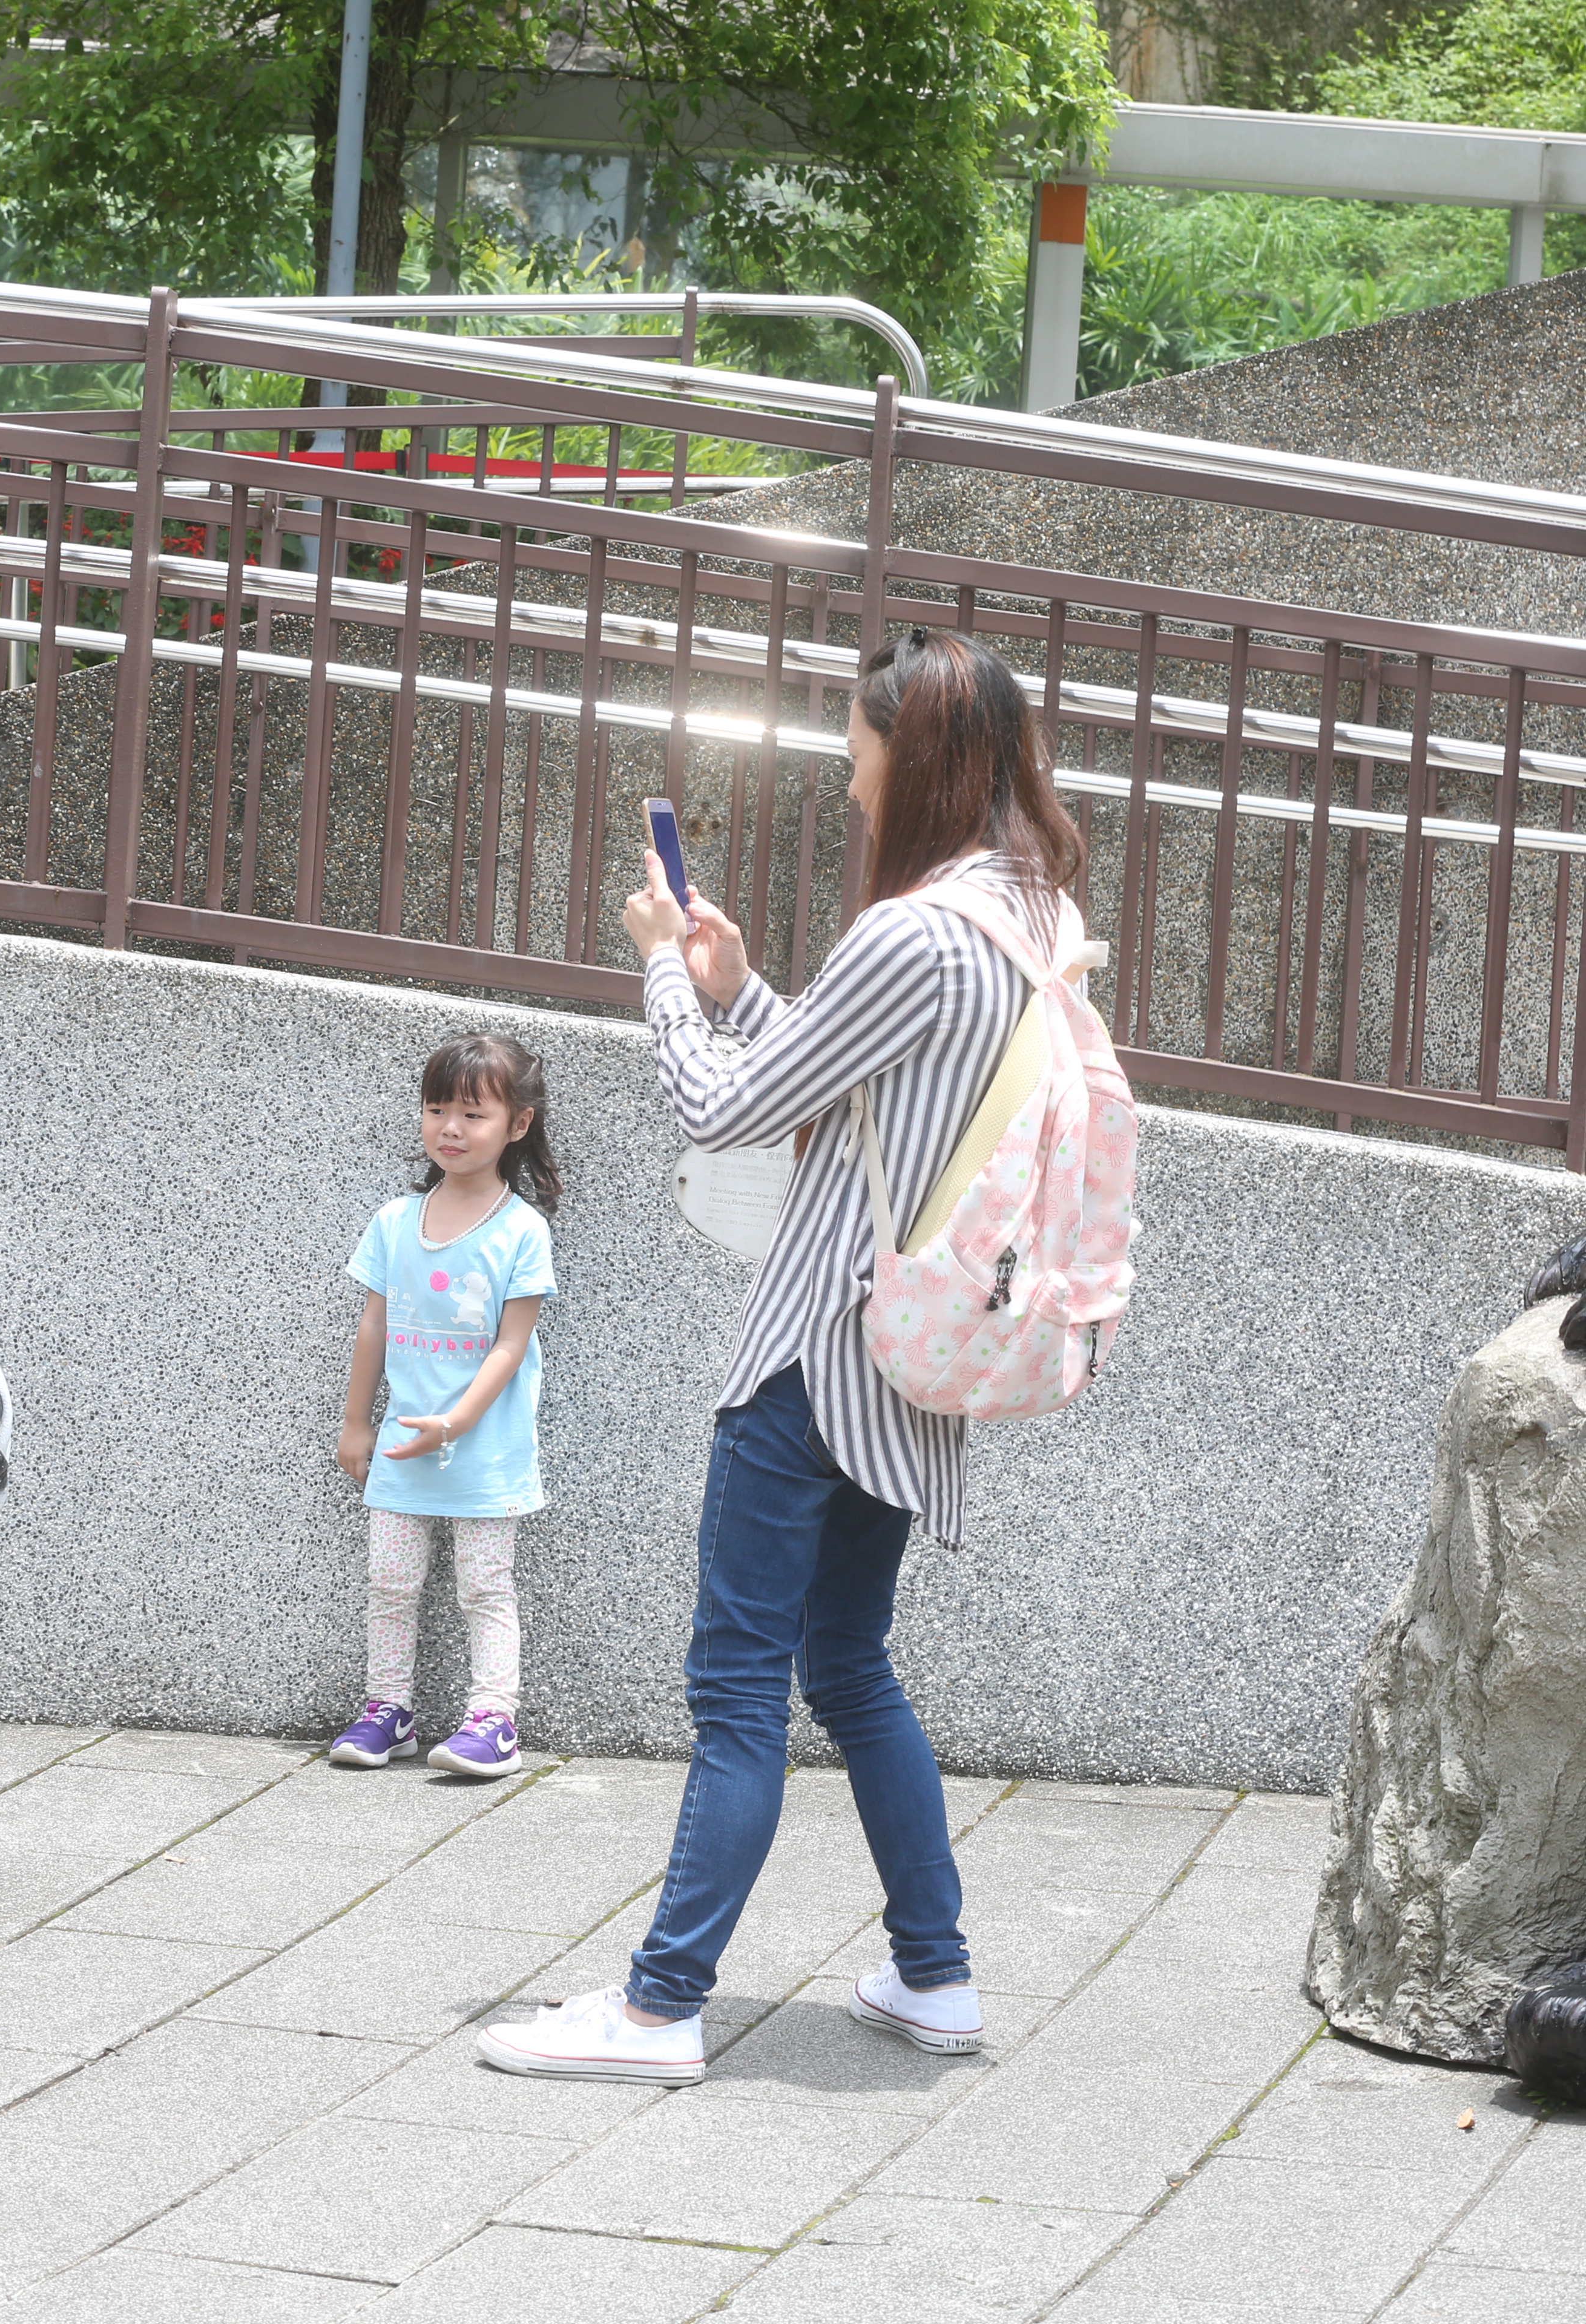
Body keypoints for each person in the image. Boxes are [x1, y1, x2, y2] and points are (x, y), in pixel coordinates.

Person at [479, 628, 1079, 2086]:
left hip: (815, 1345)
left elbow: (725, 1112)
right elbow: (848, 1079)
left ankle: (658, 2003)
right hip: (908, 1358)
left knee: (737, 1682)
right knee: (847, 1660)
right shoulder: (1023, 919)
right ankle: (932, 1973)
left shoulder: (910, 929)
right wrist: (740, 982)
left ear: (913, 753)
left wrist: (665, 985)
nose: (847, 768)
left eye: (860, 741)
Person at [330, 1033, 564, 1781]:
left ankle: (494, 1719)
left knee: (484, 1587)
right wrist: (356, 1421)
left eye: (472, 1113)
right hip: (402, 1443)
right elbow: (374, 1323)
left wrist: (458, 1422)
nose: (451, 1129)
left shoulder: (523, 1230)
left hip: (485, 1450)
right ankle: (387, 1710)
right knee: (390, 1583)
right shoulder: (395, 1221)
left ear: (516, 1125)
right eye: (437, 1109)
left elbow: (510, 1344)